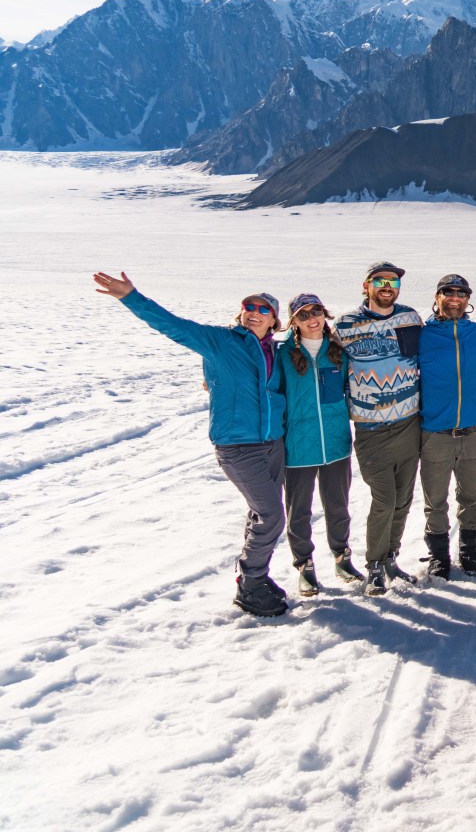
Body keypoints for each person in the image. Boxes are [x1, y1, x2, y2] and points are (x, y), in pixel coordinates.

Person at [92, 272, 291, 617]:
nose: (254, 312)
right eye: (248, 306)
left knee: (260, 513)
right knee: (272, 515)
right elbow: (172, 325)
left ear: (274, 319)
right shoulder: (220, 341)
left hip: (273, 443)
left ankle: (256, 576)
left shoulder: (276, 350)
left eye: (263, 308)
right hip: (237, 446)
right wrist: (131, 297)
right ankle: (250, 584)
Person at [335, 262, 424, 596]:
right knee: (384, 498)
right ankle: (373, 564)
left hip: (408, 422)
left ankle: (390, 557)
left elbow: (423, 361)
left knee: (403, 499)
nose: (387, 286)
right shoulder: (345, 325)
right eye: (380, 281)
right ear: (366, 285)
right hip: (371, 428)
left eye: (393, 281)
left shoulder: (410, 318)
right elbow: (323, 361)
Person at [276, 293, 361, 595]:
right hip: (298, 447)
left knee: (338, 506)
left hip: (336, 443)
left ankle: (342, 557)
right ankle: (305, 566)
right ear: (293, 322)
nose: (312, 318)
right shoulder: (282, 354)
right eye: (303, 314)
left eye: (317, 311)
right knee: (298, 510)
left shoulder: (338, 351)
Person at [416, 274, 476, 579]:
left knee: (471, 497)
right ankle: (438, 555)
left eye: (461, 293)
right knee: (435, 500)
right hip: (435, 433)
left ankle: (469, 551)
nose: (455, 298)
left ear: (468, 299)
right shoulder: (423, 335)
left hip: (472, 432)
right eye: (448, 292)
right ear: (438, 297)